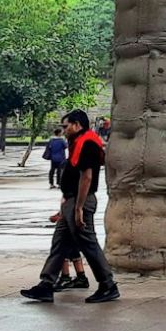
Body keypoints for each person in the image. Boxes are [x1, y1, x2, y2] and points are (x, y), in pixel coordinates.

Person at [21, 108, 118, 303]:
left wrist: (79, 207)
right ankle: (46, 285)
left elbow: (86, 177)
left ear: (77, 125)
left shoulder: (88, 142)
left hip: (80, 201)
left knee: (88, 243)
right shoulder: (77, 142)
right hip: (71, 201)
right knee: (59, 243)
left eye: (66, 127)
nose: (64, 130)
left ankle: (108, 284)